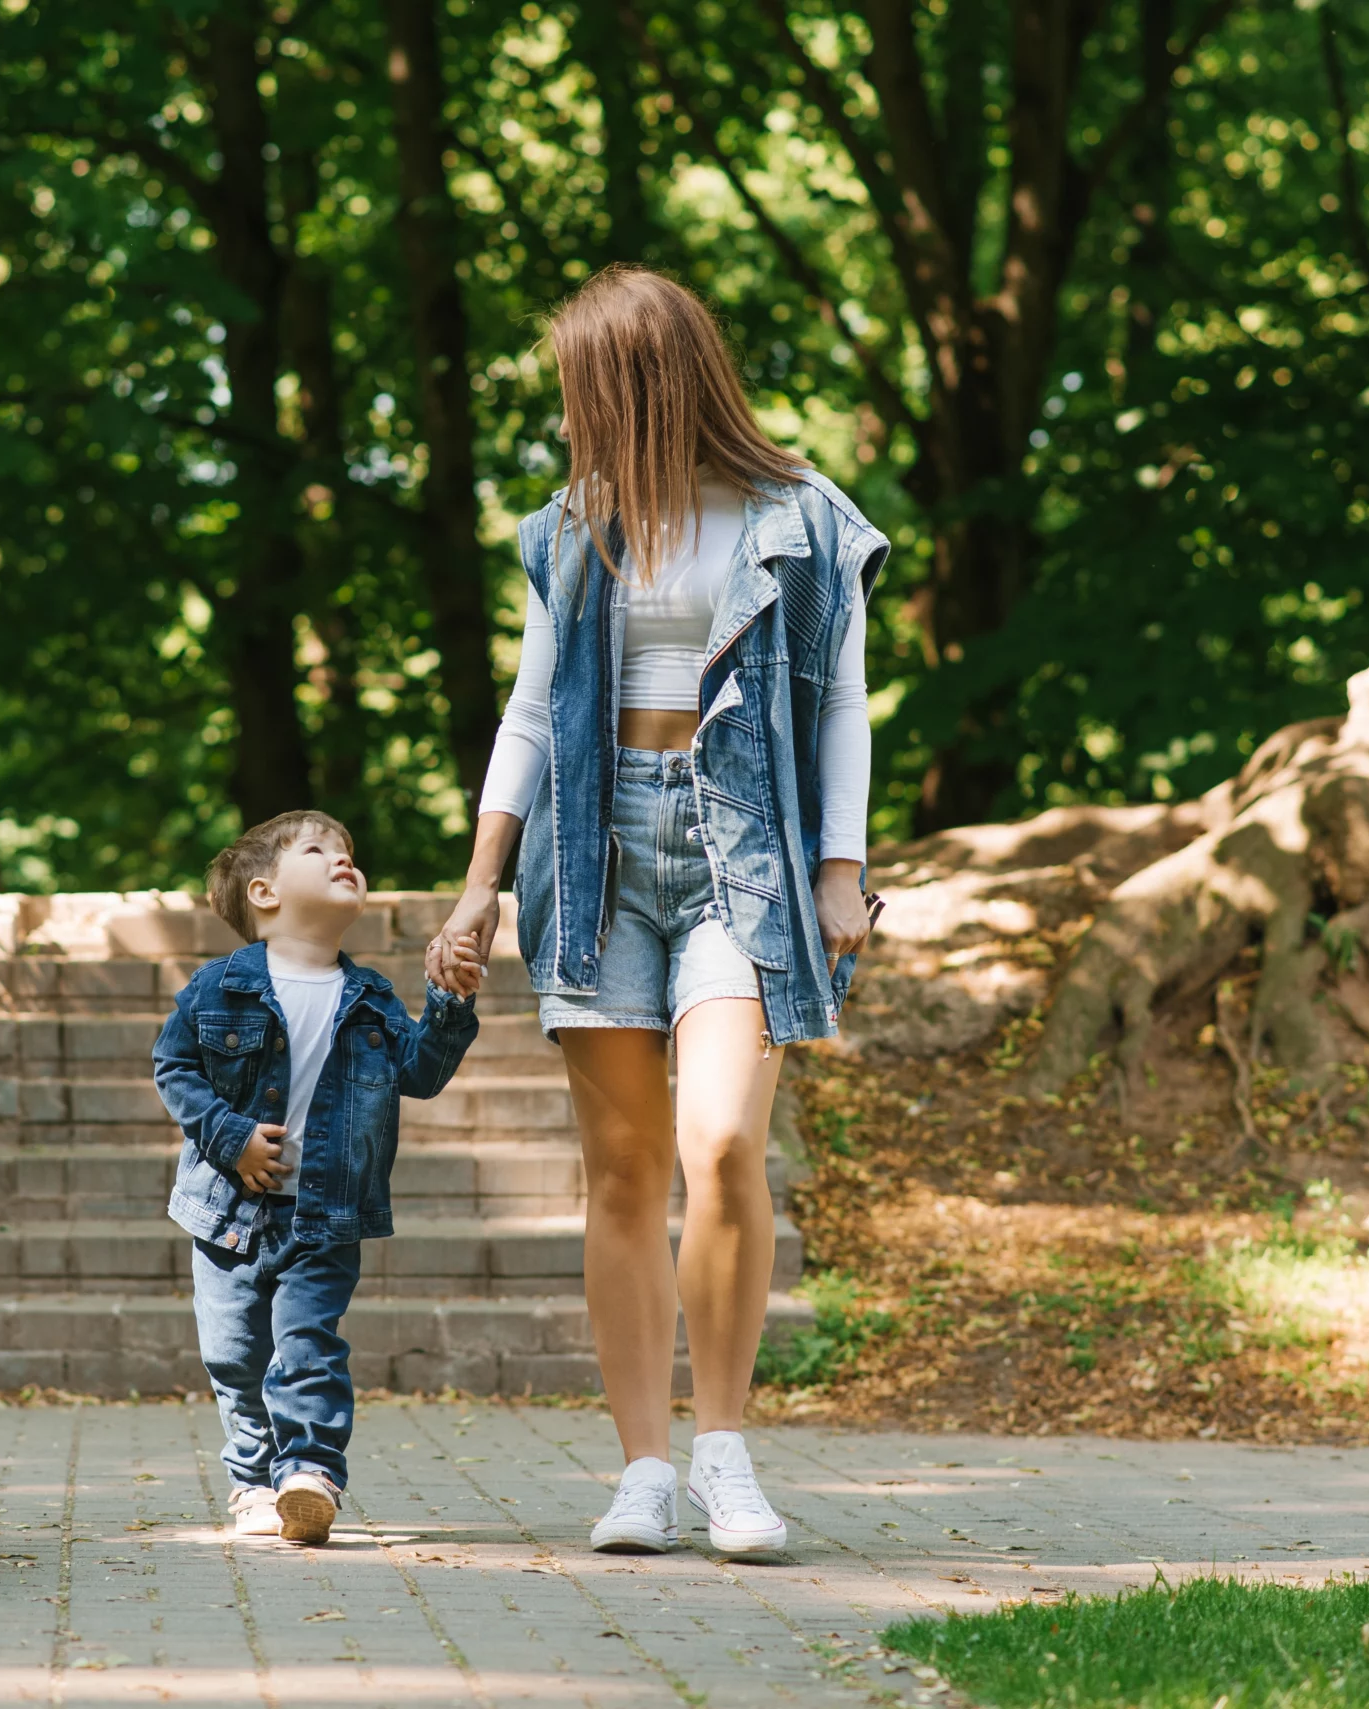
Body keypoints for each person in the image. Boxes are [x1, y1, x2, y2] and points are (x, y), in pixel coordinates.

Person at [429, 265, 883, 1556]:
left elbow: (839, 701)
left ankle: (726, 1455)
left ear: (637, 382)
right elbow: (529, 712)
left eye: (580, 390)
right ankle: (643, 1470)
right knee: (622, 1172)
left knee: (723, 1140)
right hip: (596, 849)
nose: (568, 417)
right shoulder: (576, 526)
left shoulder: (802, 518)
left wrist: (841, 867)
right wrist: (480, 879)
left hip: (745, 842)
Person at [155, 811, 480, 1545]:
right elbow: (174, 1066)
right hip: (230, 1210)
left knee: (306, 1341)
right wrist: (231, 1136)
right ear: (265, 892)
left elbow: (420, 1074)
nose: (344, 859)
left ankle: (308, 1474)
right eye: (319, 849)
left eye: (349, 851)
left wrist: (450, 1001)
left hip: (326, 1211)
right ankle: (252, 1482)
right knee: (235, 1353)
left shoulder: (369, 997)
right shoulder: (219, 986)